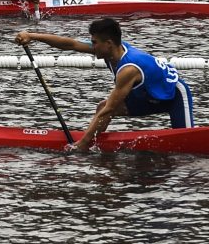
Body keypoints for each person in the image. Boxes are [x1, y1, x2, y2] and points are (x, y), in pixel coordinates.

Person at [15, 18, 194, 151]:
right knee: (102, 107)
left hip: (175, 95)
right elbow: (71, 44)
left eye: (95, 42)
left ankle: (87, 142)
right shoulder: (110, 50)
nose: (93, 47)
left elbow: (110, 109)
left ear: (108, 44)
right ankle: (96, 143)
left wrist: (80, 145)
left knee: (188, 146)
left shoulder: (128, 68)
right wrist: (32, 36)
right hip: (148, 96)